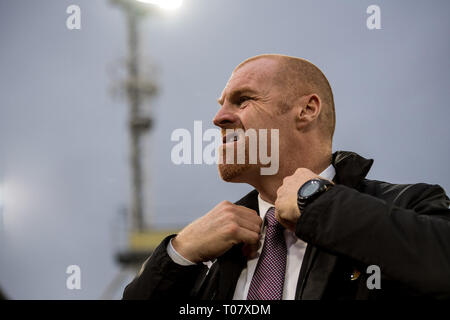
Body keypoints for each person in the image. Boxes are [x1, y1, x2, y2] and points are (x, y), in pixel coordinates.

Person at [123, 54, 450, 300]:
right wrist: (178, 255)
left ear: (307, 110)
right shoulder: (209, 253)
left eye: (243, 100)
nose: (218, 118)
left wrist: (318, 202)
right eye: (223, 104)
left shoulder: (408, 205)